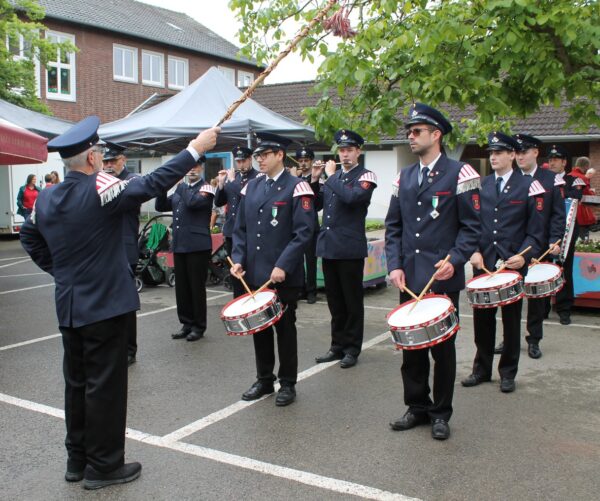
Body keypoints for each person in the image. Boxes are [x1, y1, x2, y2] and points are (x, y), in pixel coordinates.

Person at [19, 115, 219, 490]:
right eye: (98, 153)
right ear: (92, 159)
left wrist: (61, 273)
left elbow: (30, 237)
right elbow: (151, 183)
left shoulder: (47, 197)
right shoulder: (100, 188)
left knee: (76, 384)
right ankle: (104, 466)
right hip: (106, 305)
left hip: (70, 304)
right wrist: (196, 148)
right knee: (104, 388)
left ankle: (76, 460)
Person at [384, 103, 481, 440]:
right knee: (411, 349)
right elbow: (393, 226)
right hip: (409, 277)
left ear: (436, 134)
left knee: (443, 349)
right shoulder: (404, 176)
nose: (410, 137)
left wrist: (455, 259)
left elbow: (472, 227)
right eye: (409, 132)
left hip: (441, 276)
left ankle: (441, 413)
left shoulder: (461, 173)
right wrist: (394, 265)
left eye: (417, 132)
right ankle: (417, 406)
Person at [230, 132, 315, 406]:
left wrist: (283, 265)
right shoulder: (251, 187)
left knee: (285, 329)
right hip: (255, 273)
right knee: (260, 329)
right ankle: (264, 379)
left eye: (265, 155)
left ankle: (287, 382)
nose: (260, 160)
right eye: (258, 156)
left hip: (282, 276)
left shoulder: (298, 187)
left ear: (280, 155)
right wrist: (239, 258)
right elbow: (240, 229)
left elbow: (304, 232)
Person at [462, 132, 544, 395]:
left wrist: (524, 255)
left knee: (510, 321)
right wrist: (473, 251)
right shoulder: (481, 185)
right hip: (483, 262)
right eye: (491, 153)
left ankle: (508, 372)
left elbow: (536, 231)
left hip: (512, 263)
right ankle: (481, 369)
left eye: (499, 152)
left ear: (512, 155)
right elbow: (470, 224)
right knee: (482, 319)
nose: (493, 157)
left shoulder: (529, 186)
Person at [313, 129, 377, 369]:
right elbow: (316, 204)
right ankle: (337, 345)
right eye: (341, 150)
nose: (345, 154)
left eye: (349, 150)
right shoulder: (333, 177)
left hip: (349, 248)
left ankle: (352, 348)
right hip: (329, 246)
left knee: (352, 301)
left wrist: (330, 178)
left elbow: (352, 199)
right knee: (335, 301)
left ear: (358, 151)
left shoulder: (366, 175)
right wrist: (315, 178)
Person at [511, 133, 565, 359]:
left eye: (524, 152)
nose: (519, 156)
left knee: (535, 297)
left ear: (535, 152)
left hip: (539, 247)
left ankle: (534, 339)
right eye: (517, 152)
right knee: (511, 297)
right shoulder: (509, 177)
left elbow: (557, 215)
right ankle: (510, 338)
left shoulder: (550, 179)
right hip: (513, 248)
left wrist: (555, 239)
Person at [156, 156, 215, 342]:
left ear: (201, 167)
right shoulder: (182, 189)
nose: (191, 169)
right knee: (182, 288)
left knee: (196, 288)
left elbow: (194, 203)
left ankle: (199, 326)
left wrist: (180, 185)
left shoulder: (206, 188)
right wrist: (163, 187)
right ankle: (186, 323)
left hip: (197, 246)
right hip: (181, 244)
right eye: (188, 166)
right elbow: (160, 206)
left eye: (195, 166)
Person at [103, 143, 140, 365]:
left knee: (125, 304)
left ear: (123, 160)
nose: (108, 165)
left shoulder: (132, 181)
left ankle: (129, 349)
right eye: (105, 161)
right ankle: (113, 346)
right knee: (107, 301)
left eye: (113, 161)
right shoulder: (102, 181)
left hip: (125, 249)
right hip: (105, 249)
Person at [214, 145, 261, 298]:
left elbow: (246, 199)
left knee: (249, 266)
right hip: (231, 230)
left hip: (248, 230)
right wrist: (221, 185)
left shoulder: (258, 177)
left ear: (249, 160)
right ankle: (237, 296)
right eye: (238, 161)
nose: (240, 165)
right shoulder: (233, 179)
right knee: (234, 267)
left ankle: (251, 295)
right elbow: (219, 202)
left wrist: (232, 182)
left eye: (243, 161)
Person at [547, 144, 582, 325]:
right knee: (543, 269)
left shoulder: (572, 180)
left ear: (564, 162)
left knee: (564, 269)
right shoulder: (543, 179)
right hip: (546, 232)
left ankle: (564, 308)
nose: (552, 163)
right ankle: (543, 306)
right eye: (550, 159)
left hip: (566, 234)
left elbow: (575, 196)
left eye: (556, 160)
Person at [295, 147, 320, 304]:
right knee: (297, 259)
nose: (303, 164)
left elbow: (317, 203)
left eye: (306, 161)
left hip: (311, 224)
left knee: (311, 261)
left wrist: (314, 181)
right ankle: (301, 288)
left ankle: (312, 291)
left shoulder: (317, 178)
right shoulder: (295, 179)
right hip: (296, 225)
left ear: (311, 161)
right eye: (301, 161)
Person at [570, 157, 596, 240]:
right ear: (586, 166)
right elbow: (588, 196)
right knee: (581, 240)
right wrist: (592, 192)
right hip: (581, 212)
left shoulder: (568, 175)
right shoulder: (583, 178)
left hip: (568, 211)